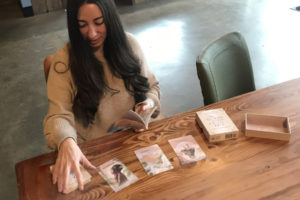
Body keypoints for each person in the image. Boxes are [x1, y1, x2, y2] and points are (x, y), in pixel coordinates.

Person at [43, 0, 160, 194]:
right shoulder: (64, 61)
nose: (92, 33)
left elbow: (152, 87)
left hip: (133, 140)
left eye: (99, 22)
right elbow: (57, 115)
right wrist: (65, 141)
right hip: (92, 152)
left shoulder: (130, 44)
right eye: (82, 25)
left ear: (111, 19)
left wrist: (148, 102)